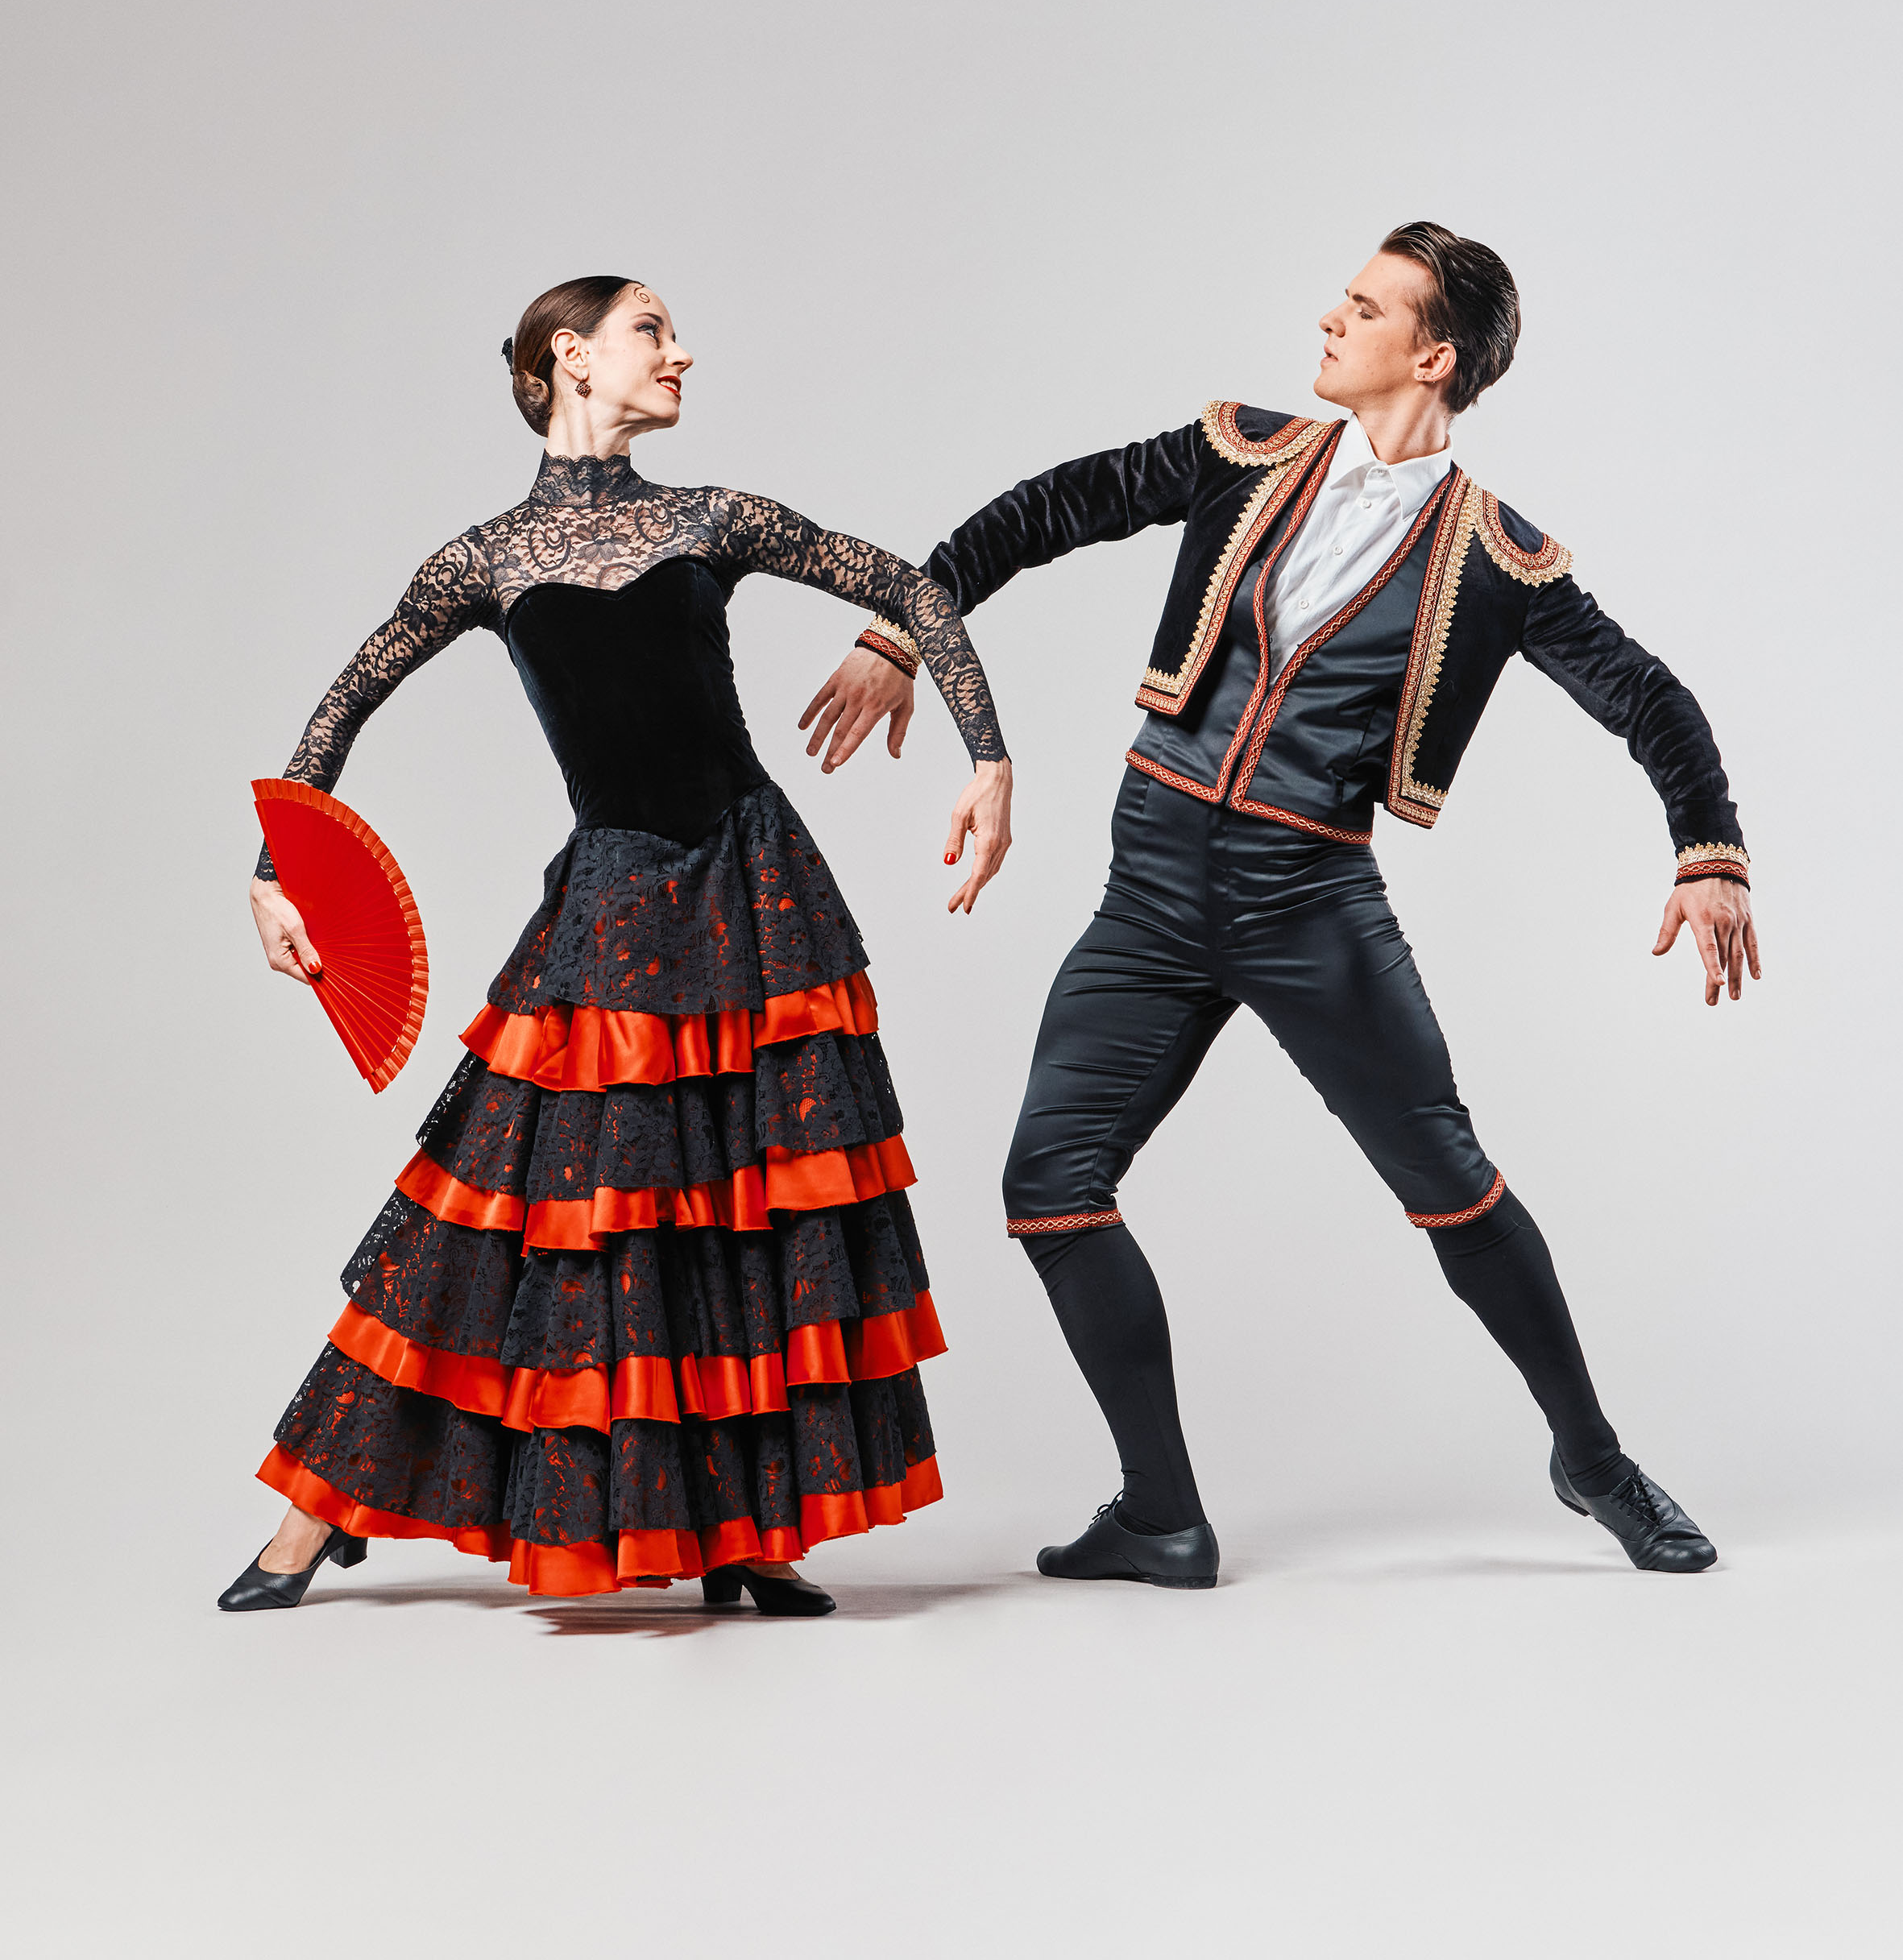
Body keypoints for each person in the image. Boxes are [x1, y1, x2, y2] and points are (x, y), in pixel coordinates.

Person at [800, 223, 1756, 1585]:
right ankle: (1160, 1512)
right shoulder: (1238, 450)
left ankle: (1591, 1459)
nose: (1328, 318)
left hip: (1306, 900)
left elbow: (1648, 697)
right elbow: (1042, 509)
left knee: (1449, 1182)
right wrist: (905, 627)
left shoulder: (1499, 558)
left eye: (1363, 307)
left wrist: (1707, 848)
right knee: (1049, 1187)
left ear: (1431, 356)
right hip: (1149, 889)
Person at [220, 276, 1013, 1615]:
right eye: (653, 328)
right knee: (494, 1208)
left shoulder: (712, 516)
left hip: (755, 890)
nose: (682, 350)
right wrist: (270, 869)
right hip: (615, 900)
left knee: (750, 1203)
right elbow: (345, 700)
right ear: (569, 356)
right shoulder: (482, 560)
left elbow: (911, 587)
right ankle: (318, 1508)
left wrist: (988, 759)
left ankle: (742, 1530)